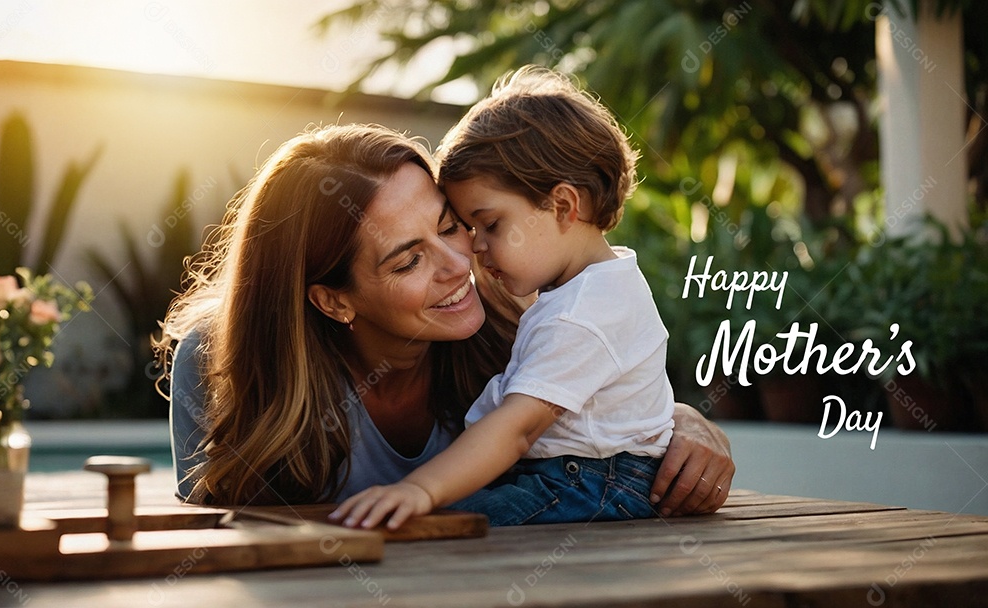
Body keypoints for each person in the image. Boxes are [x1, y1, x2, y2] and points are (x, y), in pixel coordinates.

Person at [161, 121, 733, 518]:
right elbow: (218, 555)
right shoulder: (221, 362)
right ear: (333, 301)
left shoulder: (517, 308)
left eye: (451, 224)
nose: (461, 264)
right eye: (409, 259)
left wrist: (684, 420)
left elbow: (597, 393)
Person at [329, 67, 681, 529]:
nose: (474, 249)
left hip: (586, 483)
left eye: (490, 225)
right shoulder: (589, 291)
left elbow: (518, 429)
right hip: (572, 477)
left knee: (441, 526)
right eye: (468, 227)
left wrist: (419, 488)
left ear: (562, 206)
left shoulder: (583, 313)